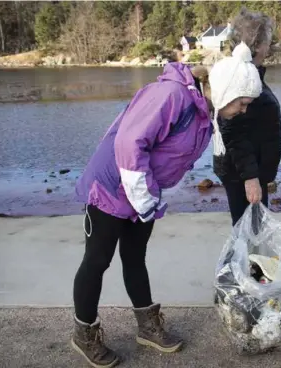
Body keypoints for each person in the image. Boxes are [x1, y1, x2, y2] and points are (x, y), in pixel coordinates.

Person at [71, 43, 262, 368]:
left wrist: (248, 174)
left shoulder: (204, 111)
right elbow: (129, 143)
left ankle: (147, 326)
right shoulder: (172, 96)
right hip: (110, 187)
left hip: (142, 190)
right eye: (243, 103)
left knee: (134, 257)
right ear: (229, 92)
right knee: (98, 261)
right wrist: (145, 199)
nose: (244, 110)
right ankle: (84, 334)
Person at [212, 8, 281, 226]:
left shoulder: (249, 74)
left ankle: (250, 260)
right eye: (267, 41)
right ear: (257, 45)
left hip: (250, 171)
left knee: (253, 229)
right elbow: (231, 129)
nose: (269, 46)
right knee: (247, 230)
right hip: (242, 173)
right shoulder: (238, 79)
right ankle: (243, 261)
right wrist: (251, 178)